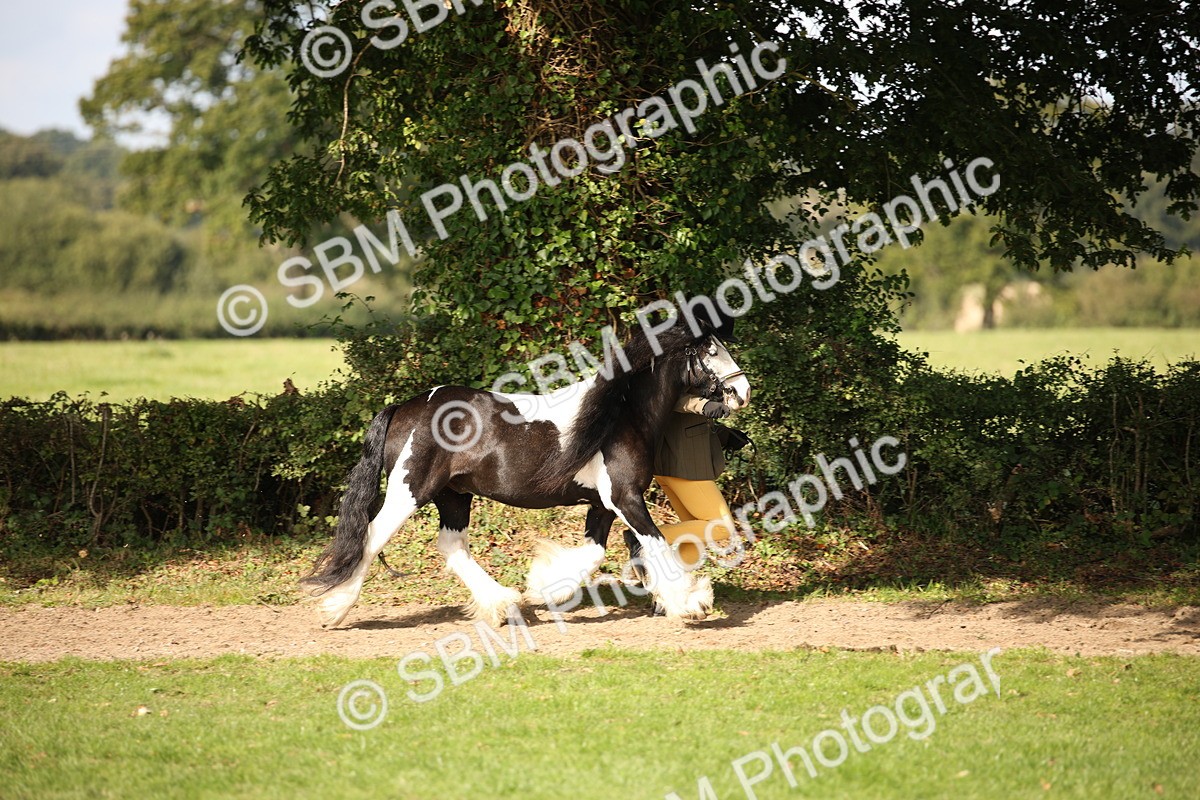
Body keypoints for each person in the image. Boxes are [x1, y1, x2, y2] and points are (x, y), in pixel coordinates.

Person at [633, 318, 750, 570]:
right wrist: (702, 405)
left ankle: (669, 588)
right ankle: (645, 540)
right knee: (721, 527)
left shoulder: (692, 362)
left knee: (695, 534)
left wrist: (722, 434)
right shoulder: (679, 359)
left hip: (676, 461)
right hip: (684, 463)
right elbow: (669, 398)